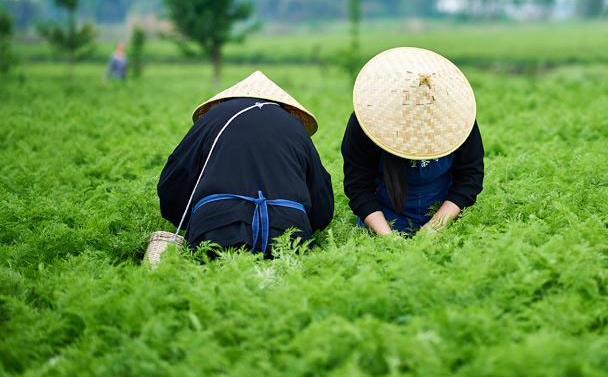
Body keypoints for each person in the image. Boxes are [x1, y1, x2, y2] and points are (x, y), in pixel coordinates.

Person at [158, 71, 334, 256]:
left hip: (214, 232)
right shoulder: (294, 126)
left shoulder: (213, 118)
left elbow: (173, 183)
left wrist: (192, 224)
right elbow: (322, 200)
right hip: (289, 238)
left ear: (226, 100)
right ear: (282, 105)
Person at [341, 47, 484, 236]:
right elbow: (358, 185)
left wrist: (436, 227)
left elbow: (469, 178)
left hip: (445, 218)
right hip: (383, 219)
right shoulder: (366, 122)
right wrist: (387, 237)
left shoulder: (460, 120)